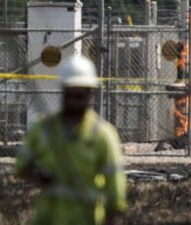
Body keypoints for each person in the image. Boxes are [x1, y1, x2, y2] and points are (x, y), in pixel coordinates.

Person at [16, 55, 127, 225]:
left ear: (90, 94)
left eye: (79, 95)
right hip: (49, 219)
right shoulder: (43, 128)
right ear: (63, 91)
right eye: (70, 94)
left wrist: (113, 216)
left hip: (86, 219)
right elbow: (21, 166)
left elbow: (115, 184)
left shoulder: (103, 134)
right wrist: (37, 175)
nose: (74, 101)